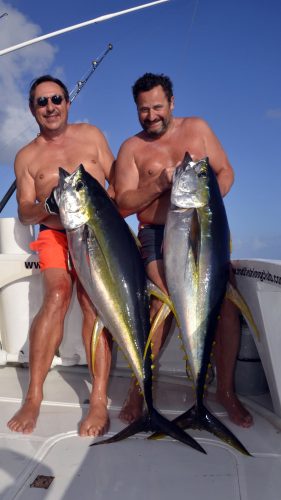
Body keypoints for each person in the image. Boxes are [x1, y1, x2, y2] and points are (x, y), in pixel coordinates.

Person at [114, 72, 253, 428]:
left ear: (171, 103)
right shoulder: (131, 148)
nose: (151, 115)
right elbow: (124, 204)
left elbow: (225, 173)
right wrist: (160, 183)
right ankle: (138, 390)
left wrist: (201, 202)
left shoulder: (198, 128)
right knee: (164, 302)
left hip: (204, 230)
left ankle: (224, 391)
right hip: (157, 235)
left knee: (224, 301)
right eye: (143, 110)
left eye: (157, 106)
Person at [7, 75, 114, 437]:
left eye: (56, 99)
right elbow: (24, 210)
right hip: (55, 232)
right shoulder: (26, 156)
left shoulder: (93, 136)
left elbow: (118, 184)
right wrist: (46, 205)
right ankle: (33, 396)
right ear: (32, 109)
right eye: (41, 102)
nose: (50, 107)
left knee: (92, 304)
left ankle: (98, 399)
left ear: (68, 102)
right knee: (56, 294)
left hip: (97, 233)